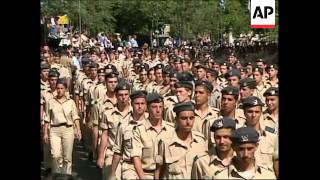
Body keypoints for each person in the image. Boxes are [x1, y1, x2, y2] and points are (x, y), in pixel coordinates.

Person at [155, 101, 208, 179]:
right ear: (176, 120)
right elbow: (158, 171)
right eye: (184, 118)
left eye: (191, 118)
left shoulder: (201, 141)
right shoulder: (165, 142)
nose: (188, 122)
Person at [131, 93, 175, 179]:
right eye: (154, 107)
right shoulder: (139, 129)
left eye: (160, 107)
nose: (158, 110)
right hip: (146, 174)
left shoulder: (171, 129)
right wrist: (142, 177)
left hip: (166, 174)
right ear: (147, 108)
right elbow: (136, 157)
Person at [43, 78, 82, 174]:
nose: (59, 90)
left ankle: (66, 175)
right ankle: (57, 175)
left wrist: (78, 130)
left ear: (65, 89)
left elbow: (75, 117)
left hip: (68, 129)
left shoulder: (71, 102)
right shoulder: (51, 101)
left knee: (67, 157)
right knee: (55, 155)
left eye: (62, 88)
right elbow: (47, 118)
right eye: (58, 88)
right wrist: (45, 133)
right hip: (54, 130)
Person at [97, 81, 132, 180]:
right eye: (120, 95)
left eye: (126, 94)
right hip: (111, 153)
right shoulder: (108, 113)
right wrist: (100, 156)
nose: (123, 97)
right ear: (116, 96)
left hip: (129, 155)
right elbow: (104, 135)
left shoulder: (135, 113)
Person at [110, 90, 148, 179]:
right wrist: (112, 173)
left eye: (142, 104)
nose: (140, 106)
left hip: (147, 166)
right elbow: (118, 151)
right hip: (130, 167)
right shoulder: (123, 125)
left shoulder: (151, 123)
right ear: (131, 104)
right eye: (137, 103)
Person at [242, 96, 279, 177]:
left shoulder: (271, 136)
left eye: (257, 112)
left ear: (261, 113)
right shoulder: (237, 136)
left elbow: (276, 163)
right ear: (244, 113)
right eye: (250, 111)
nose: (253, 115)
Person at [41, 68, 60, 176]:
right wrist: (42, 121)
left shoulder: (62, 91)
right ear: (49, 80)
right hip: (48, 122)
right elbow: (42, 108)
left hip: (58, 122)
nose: (54, 82)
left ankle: (56, 168)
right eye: (52, 80)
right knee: (47, 145)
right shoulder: (45, 93)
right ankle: (48, 167)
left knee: (57, 149)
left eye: (55, 80)